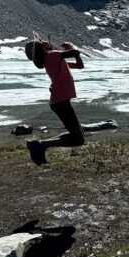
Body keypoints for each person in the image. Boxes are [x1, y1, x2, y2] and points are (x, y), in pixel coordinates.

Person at [24, 36, 85, 165]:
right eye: (39, 42)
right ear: (39, 49)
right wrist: (71, 46)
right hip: (60, 102)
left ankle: (41, 145)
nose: (43, 40)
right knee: (78, 139)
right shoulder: (52, 55)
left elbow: (80, 66)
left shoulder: (52, 58)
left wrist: (73, 53)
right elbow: (75, 53)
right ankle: (39, 145)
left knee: (78, 137)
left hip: (60, 101)